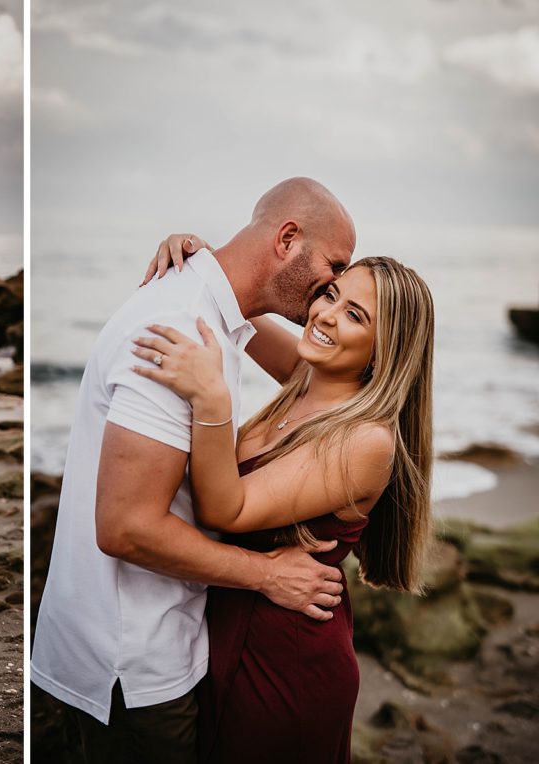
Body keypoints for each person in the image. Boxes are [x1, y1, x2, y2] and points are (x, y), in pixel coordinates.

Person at [30, 178, 357, 763]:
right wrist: (267, 575)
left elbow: (324, 380)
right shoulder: (181, 328)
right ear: (287, 239)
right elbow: (126, 527)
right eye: (334, 267)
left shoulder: (211, 317)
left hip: (175, 639)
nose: (331, 288)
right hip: (135, 659)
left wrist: (210, 266)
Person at [138, 235, 433, 762]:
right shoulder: (307, 378)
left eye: (355, 315)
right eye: (332, 294)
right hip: (229, 623)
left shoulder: (365, 440)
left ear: (384, 350)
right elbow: (237, 307)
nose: (325, 315)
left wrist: (212, 400)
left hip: (288, 660)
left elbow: (225, 510)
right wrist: (204, 258)